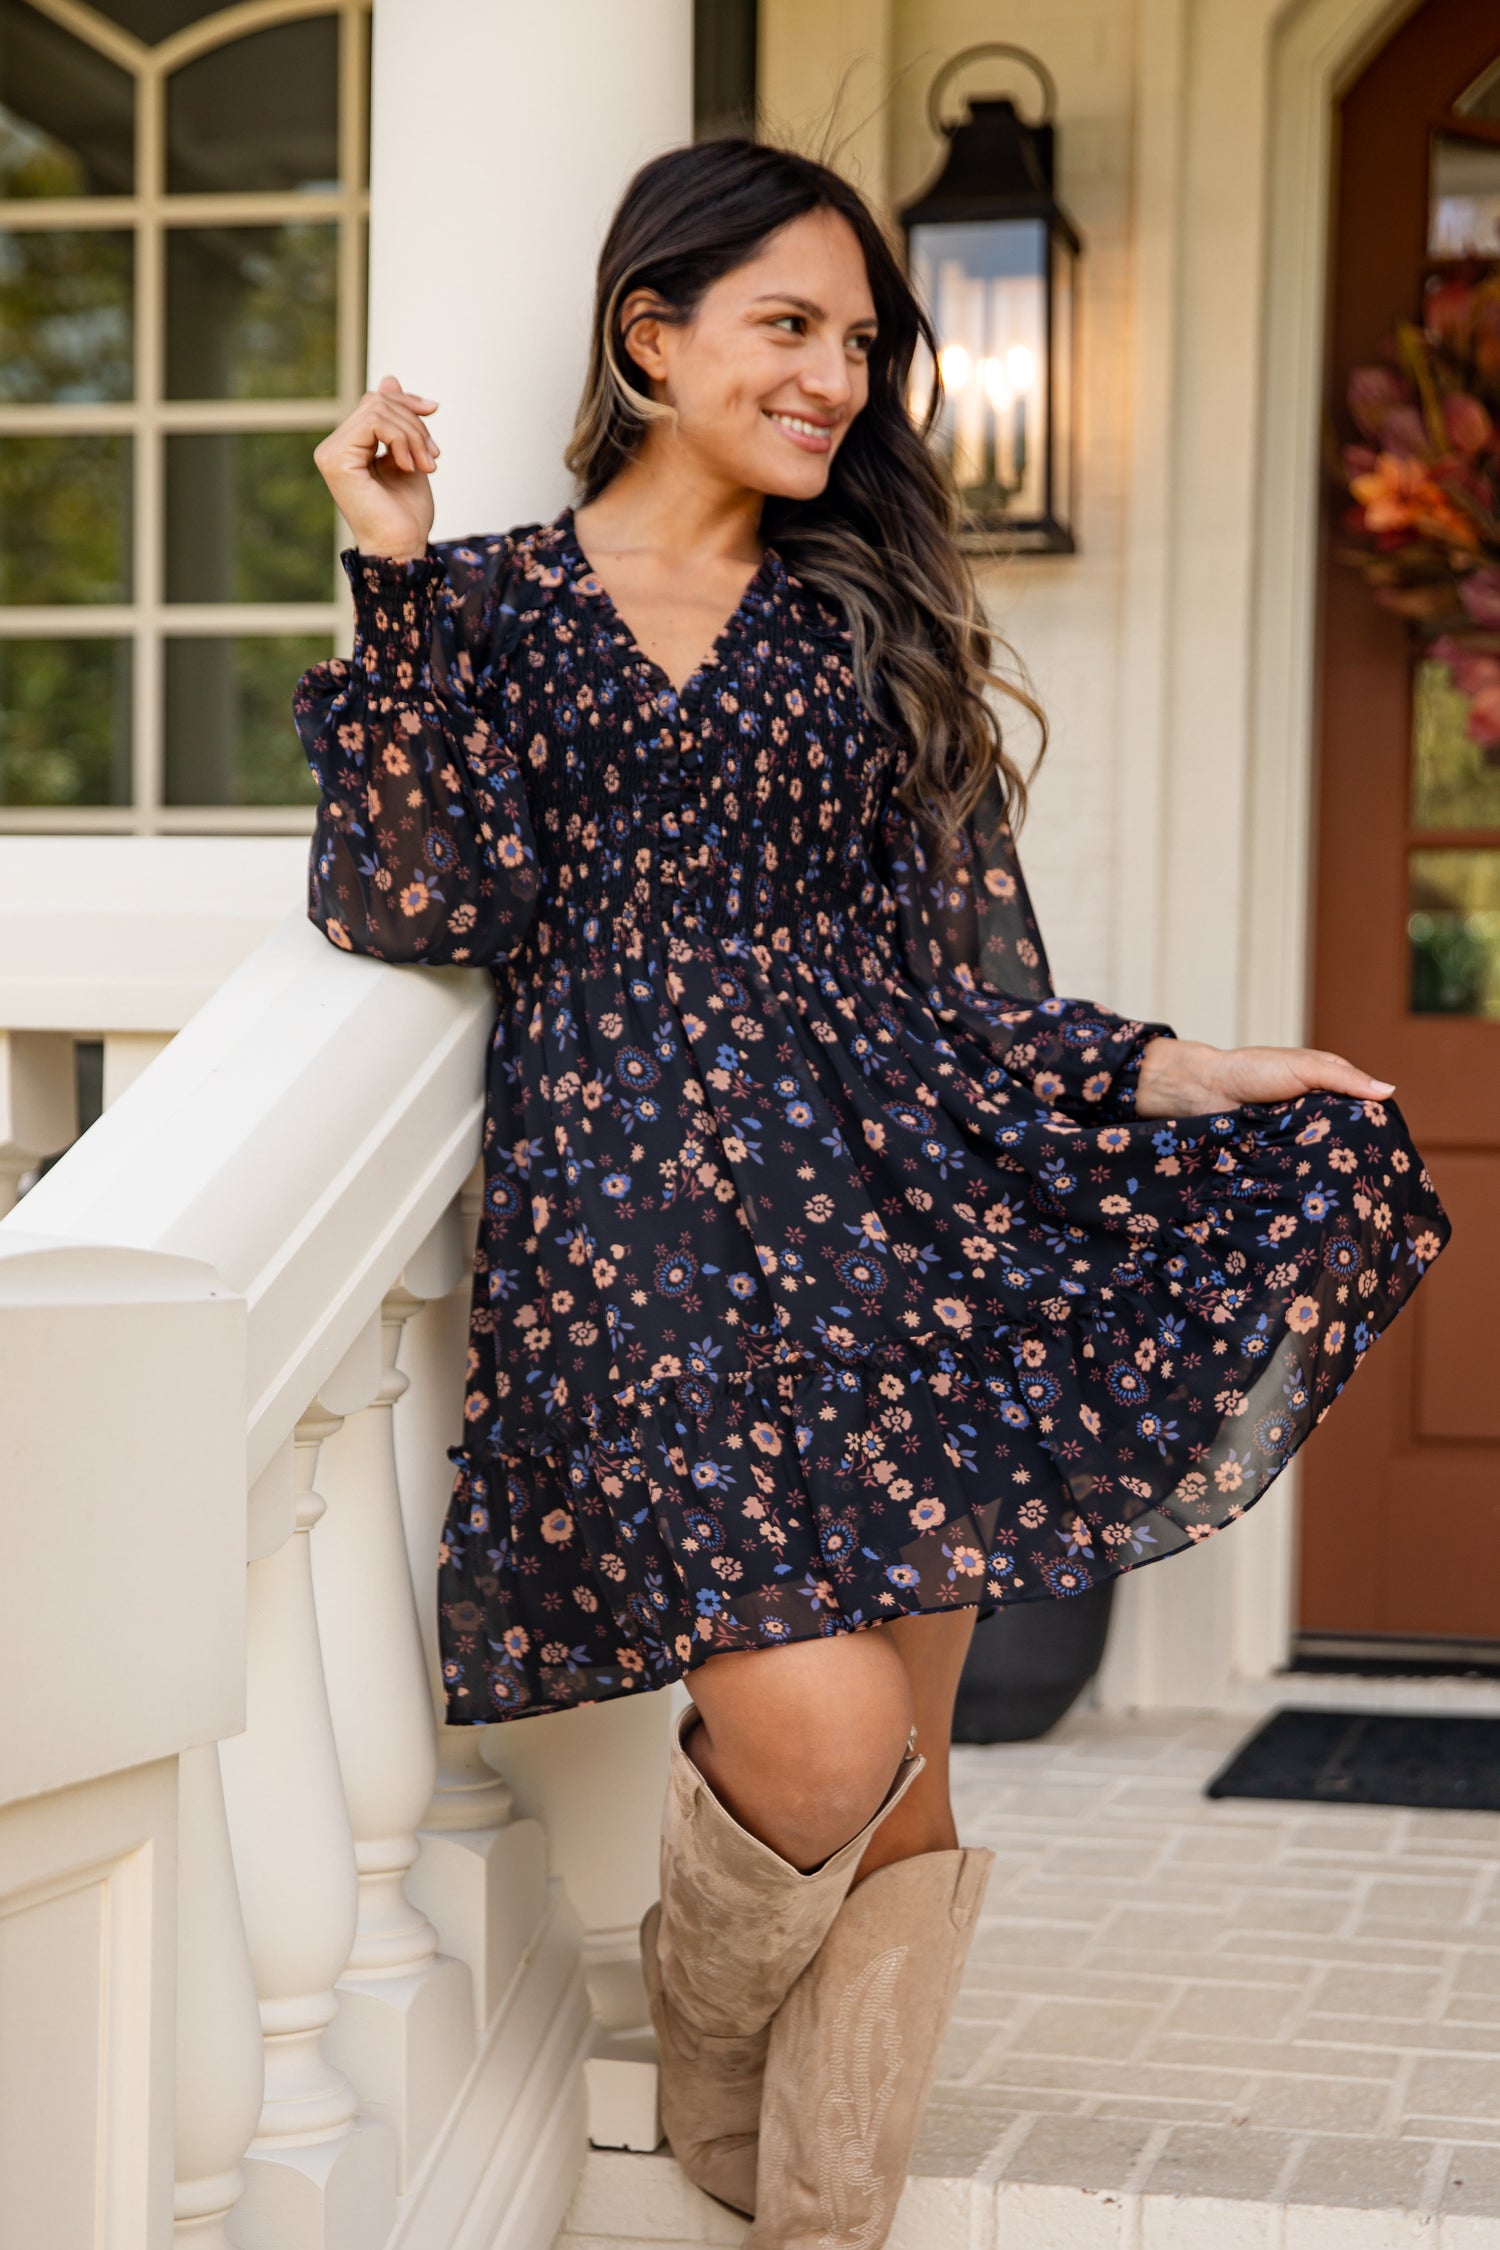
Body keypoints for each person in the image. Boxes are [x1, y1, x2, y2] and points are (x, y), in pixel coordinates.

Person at [295, 138, 1449, 2247]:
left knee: (905, 1776)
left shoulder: (863, 625)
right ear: (652, 337)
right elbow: (410, 895)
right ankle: (721, 2066)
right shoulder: (485, 610)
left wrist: (1186, 1068)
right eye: (790, 327)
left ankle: (805, 2211)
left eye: (864, 341)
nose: (839, 376)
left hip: (887, 1219)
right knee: (821, 1745)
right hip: (630, 1247)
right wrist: (386, 569)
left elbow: (949, 990)